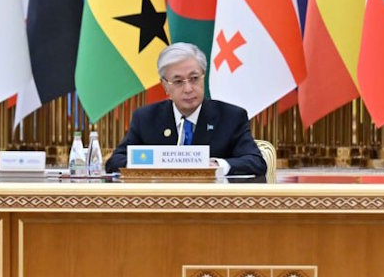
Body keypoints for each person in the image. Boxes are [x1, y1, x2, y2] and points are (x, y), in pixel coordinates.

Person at [105, 43, 266, 177]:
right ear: (165, 86)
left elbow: (256, 162)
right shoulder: (146, 118)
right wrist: (154, 165)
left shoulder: (231, 117)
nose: (188, 89)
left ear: (203, 76)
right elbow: (115, 161)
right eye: (178, 82)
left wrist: (217, 166)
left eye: (194, 78)